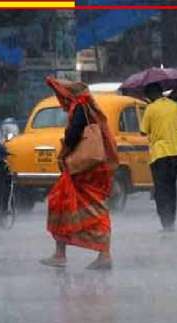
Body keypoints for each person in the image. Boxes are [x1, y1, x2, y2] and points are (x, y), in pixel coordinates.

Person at [40, 76, 119, 270]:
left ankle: (65, 254)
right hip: (90, 170)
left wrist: (64, 152)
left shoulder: (80, 109)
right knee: (81, 206)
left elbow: (73, 135)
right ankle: (97, 253)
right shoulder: (88, 109)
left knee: (63, 203)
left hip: (82, 170)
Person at [140, 82, 177, 232]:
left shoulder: (150, 108)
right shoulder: (175, 106)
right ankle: (172, 222)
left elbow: (143, 131)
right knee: (171, 188)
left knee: (161, 190)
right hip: (175, 154)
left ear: (151, 94)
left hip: (159, 155)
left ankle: (165, 223)